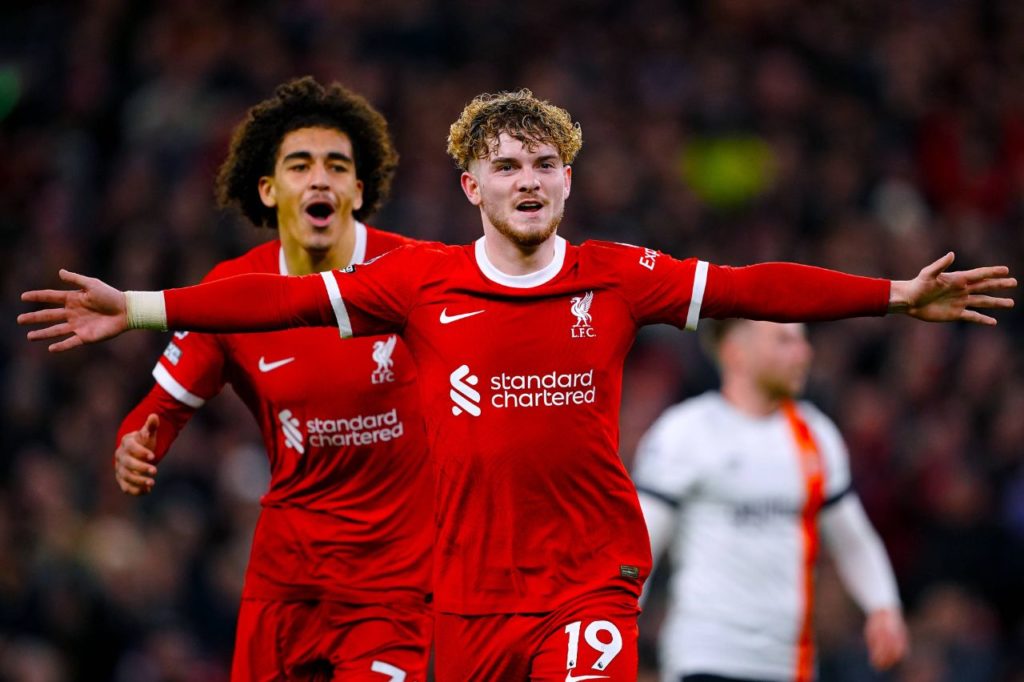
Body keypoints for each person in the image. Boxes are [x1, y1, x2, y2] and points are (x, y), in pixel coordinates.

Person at [19, 89, 1015, 681]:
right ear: (472, 187)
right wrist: (145, 308)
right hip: (458, 597)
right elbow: (270, 306)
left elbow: (756, 285)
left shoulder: (619, 274)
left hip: (585, 582)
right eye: (507, 166)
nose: (529, 179)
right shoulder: (419, 281)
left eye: (545, 163)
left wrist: (893, 295)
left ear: (568, 180)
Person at [108, 77, 434, 681]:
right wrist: (136, 445)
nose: (319, 179)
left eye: (337, 167)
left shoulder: (415, 277)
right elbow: (160, 411)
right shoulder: (230, 296)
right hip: (287, 582)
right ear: (269, 187)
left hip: (393, 585)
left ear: (358, 191)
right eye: (300, 165)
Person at [633, 320, 908, 682]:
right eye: (784, 341)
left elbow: (853, 540)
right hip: (704, 659)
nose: (804, 353)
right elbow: (639, 548)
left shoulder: (816, 435)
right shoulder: (686, 433)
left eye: (803, 341)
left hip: (789, 665)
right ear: (736, 353)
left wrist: (883, 605)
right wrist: (614, 630)